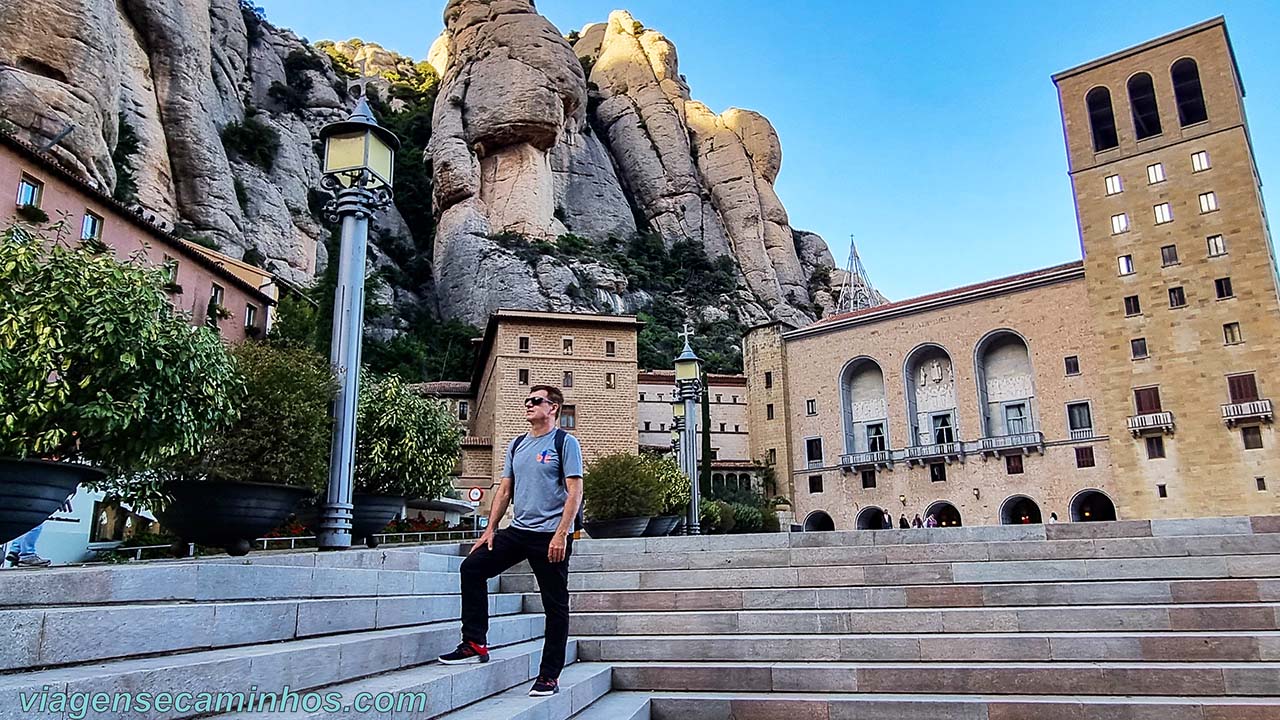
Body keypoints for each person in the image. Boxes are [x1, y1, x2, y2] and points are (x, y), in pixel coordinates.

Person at [438, 385, 584, 698]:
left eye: (536, 401)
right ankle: (474, 641)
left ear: (553, 408)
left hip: (550, 536)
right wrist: (490, 529)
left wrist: (562, 533)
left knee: (555, 605)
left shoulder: (565, 442)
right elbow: (504, 491)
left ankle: (549, 676)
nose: (529, 405)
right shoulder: (517, 445)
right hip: (518, 531)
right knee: (473, 569)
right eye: (527, 401)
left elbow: (575, 492)